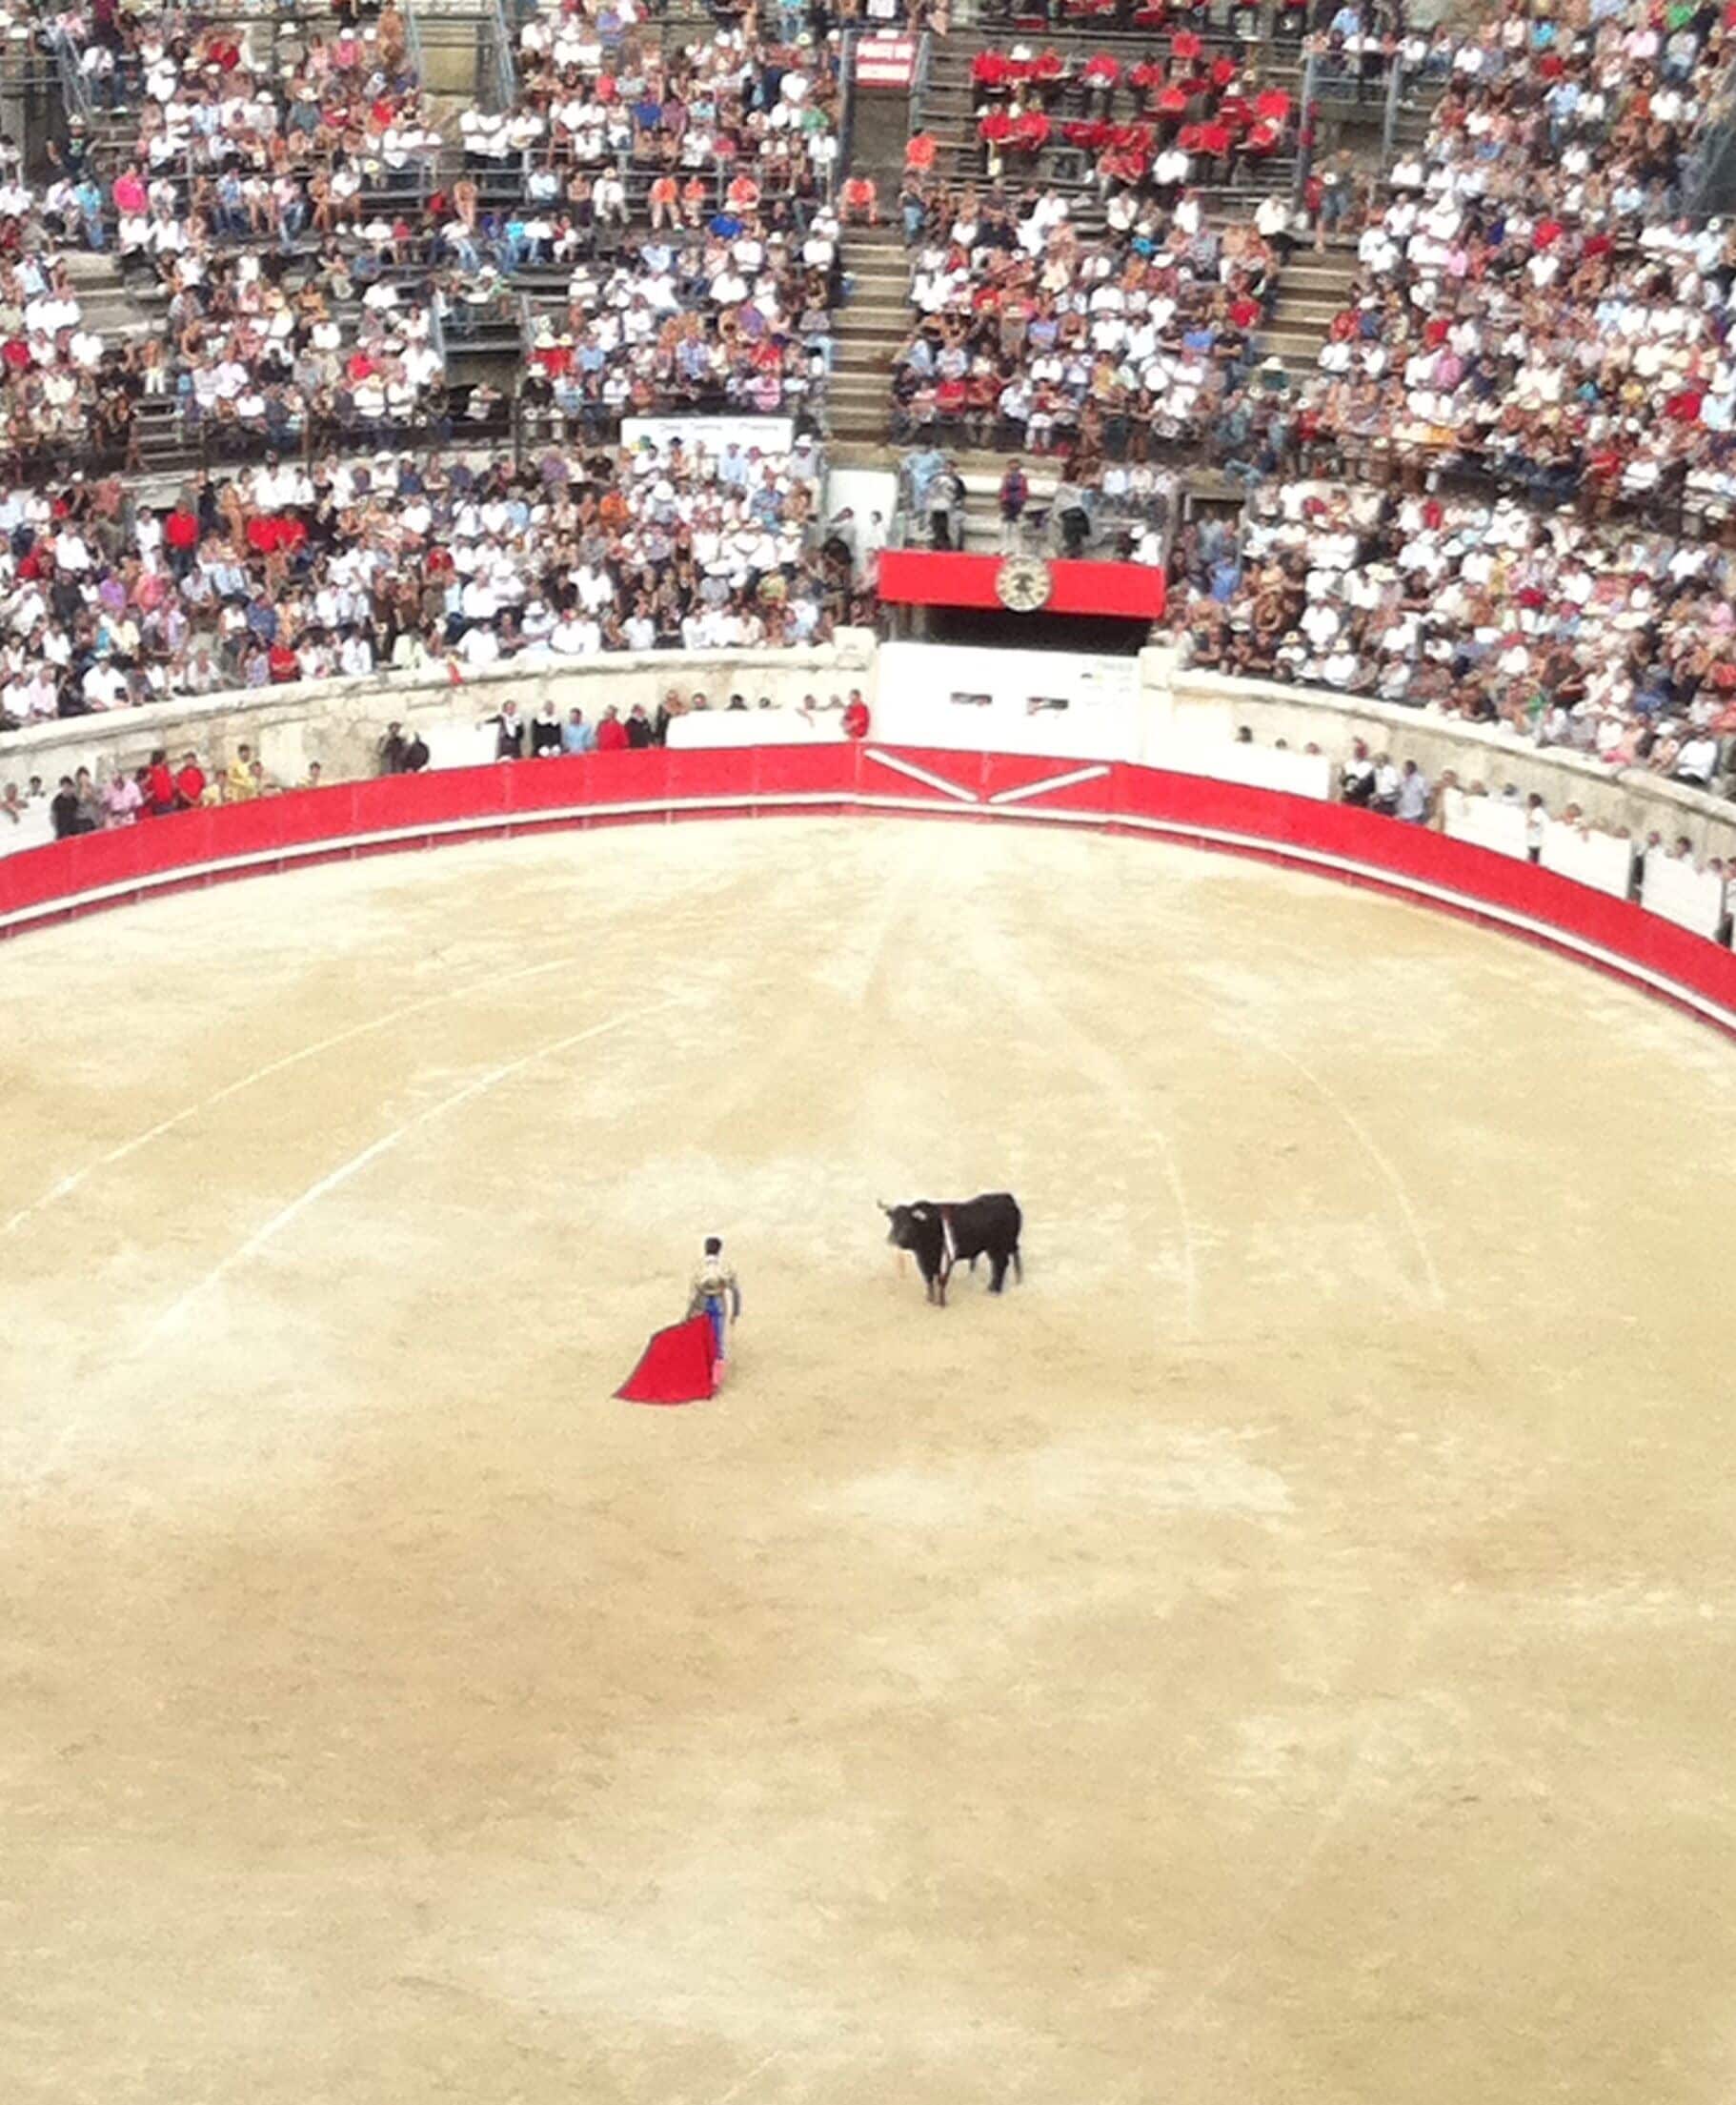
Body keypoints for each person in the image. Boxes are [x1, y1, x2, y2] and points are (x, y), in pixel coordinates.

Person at [687, 1236, 742, 1375]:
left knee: (701, 1337)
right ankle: (715, 1375)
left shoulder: (699, 1268)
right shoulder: (725, 1268)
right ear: (719, 1250)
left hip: (702, 1303)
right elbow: (735, 1291)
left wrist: (688, 1315)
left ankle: (701, 1369)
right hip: (719, 1303)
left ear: (705, 1250)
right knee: (717, 1339)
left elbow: (693, 1295)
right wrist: (735, 1312)